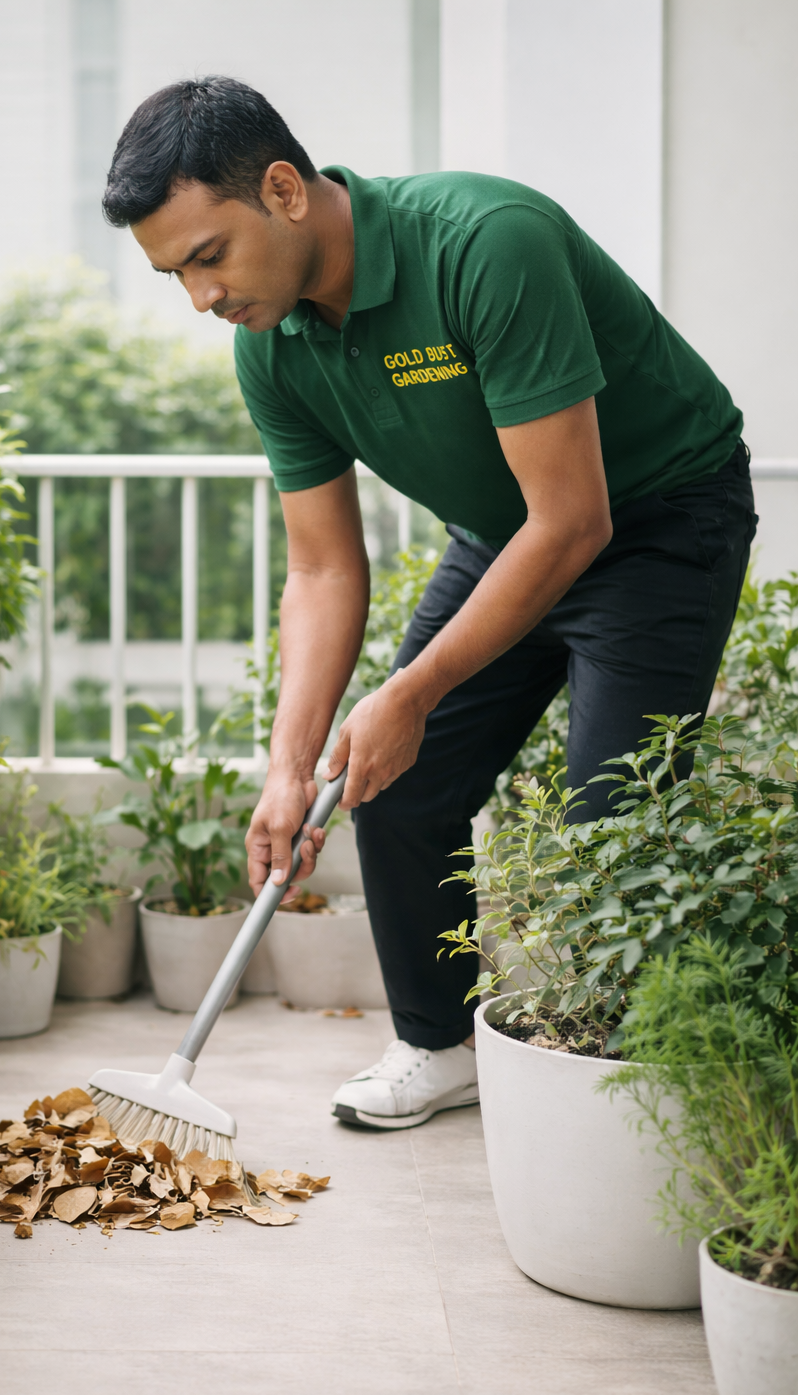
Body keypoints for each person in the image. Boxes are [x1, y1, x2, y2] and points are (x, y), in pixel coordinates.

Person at [102, 76, 755, 1130]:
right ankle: (435, 1046)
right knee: (391, 785)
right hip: (506, 535)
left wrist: (409, 688)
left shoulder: (485, 242)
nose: (200, 299)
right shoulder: (270, 349)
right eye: (172, 274)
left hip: (656, 522)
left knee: (610, 828)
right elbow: (322, 568)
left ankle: (629, 1094)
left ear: (282, 190)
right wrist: (285, 767)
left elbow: (575, 522)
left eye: (207, 257)